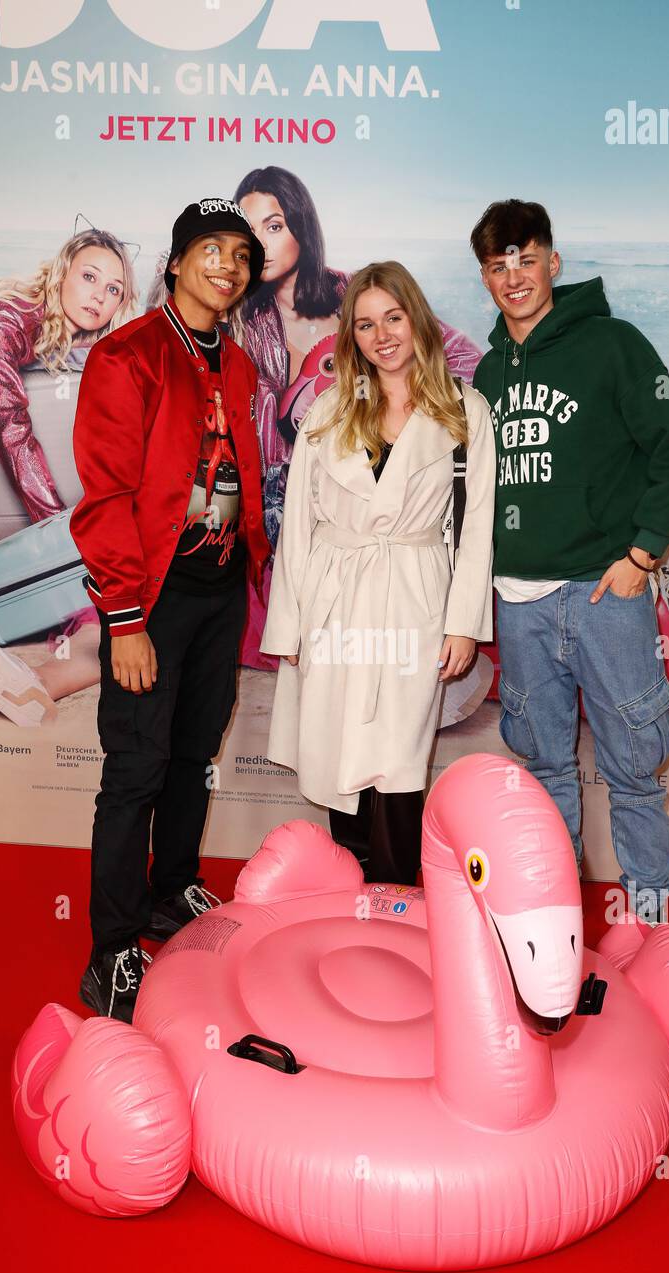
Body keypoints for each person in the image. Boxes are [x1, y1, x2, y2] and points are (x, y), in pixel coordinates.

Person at [470, 199, 669, 924]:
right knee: (544, 775)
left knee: (634, 773)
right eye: (497, 264)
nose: (514, 276)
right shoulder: (486, 373)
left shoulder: (612, 344)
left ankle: (652, 928)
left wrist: (642, 553)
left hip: (604, 594)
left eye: (526, 258)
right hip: (519, 603)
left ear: (554, 262)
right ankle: (555, 929)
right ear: (485, 275)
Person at [70, 197, 271, 1021]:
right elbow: (106, 497)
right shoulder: (129, 355)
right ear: (177, 263)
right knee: (135, 773)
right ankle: (111, 948)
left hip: (220, 593)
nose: (228, 264)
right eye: (211, 249)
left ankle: (170, 889)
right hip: (149, 600)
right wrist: (123, 619)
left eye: (242, 255)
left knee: (193, 755)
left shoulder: (244, 364)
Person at [260, 260, 496, 884]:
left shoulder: (465, 412)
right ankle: (352, 896)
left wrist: (464, 625)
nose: (382, 335)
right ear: (352, 336)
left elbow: (476, 530)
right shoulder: (329, 411)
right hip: (334, 595)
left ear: (417, 319)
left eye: (393, 317)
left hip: (415, 593)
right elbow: (299, 532)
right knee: (340, 749)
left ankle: (396, 898)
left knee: (397, 754)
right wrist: (289, 627)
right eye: (365, 324)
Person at [234, 166, 482, 669]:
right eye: (248, 229)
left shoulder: (355, 294)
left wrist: (411, 431)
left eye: (274, 225)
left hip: (376, 490)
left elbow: (456, 355)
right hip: (280, 497)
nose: (260, 242)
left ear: (301, 224)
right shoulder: (241, 315)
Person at [0, 228, 139, 720]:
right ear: (60, 272)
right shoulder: (7, 318)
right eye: (89, 276)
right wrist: (62, 535)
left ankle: (29, 674)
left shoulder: (78, 339)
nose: (99, 295)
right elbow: (10, 424)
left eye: (113, 289)